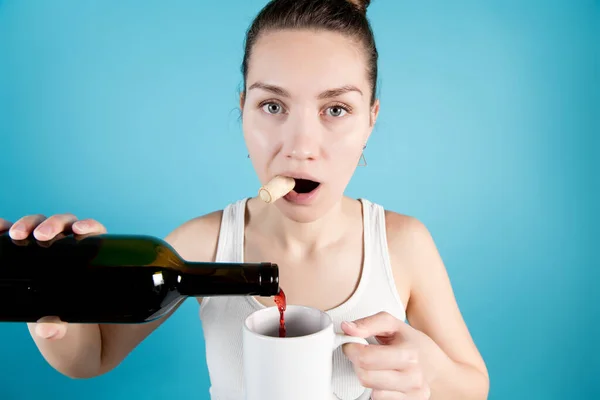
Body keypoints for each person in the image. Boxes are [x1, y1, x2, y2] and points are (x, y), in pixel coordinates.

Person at [1, 0, 489, 398]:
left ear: (371, 120)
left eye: (336, 108)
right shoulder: (199, 245)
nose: (300, 146)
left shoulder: (403, 244)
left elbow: (474, 386)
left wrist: (430, 370)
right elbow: (95, 355)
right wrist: (52, 309)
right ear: (243, 110)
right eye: (272, 106)